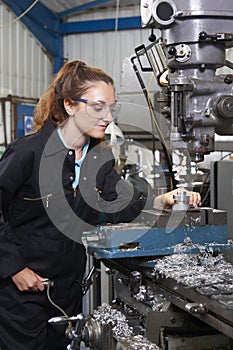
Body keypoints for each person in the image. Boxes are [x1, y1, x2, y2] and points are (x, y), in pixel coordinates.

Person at [0, 60, 201, 350]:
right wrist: (14, 268)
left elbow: (123, 204)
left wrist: (163, 200)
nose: (107, 116)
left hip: (67, 288)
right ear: (70, 105)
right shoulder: (29, 152)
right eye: (98, 107)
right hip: (21, 292)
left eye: (111, 107)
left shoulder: (99, 159)